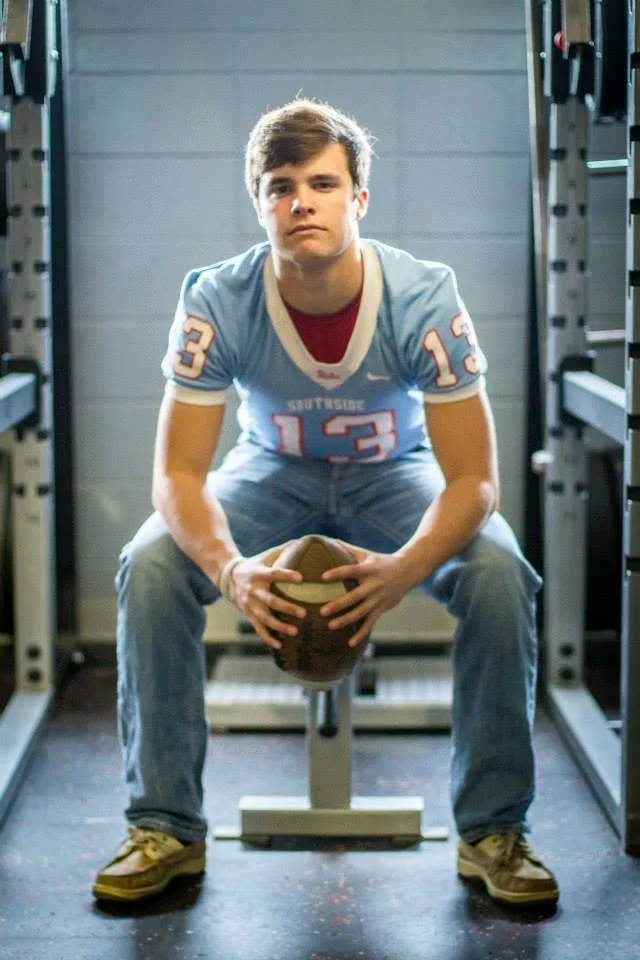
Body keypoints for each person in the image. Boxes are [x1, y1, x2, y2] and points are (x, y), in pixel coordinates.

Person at [92, 98, 558, 907]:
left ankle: (493, 830)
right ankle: (165, 827)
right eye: (280, 187)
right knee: (153, 562)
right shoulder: (217, 298)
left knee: (499, 570)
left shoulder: (423, 297)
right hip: (270, 471)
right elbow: (177, 478)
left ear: (359, 198)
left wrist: (404, 569)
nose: (300, 202)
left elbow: (475, 482)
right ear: (259, 203)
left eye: (322, 183)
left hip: (394, 473)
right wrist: (231, 572)